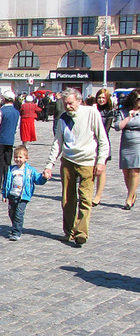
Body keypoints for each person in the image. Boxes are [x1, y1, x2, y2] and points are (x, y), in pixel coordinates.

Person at [43, 87, 110, 246]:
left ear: (79, 101)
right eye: (65, 104)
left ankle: (81, 233)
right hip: (68, 161)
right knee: (68, 199)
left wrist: (101, 161)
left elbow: (103, 140)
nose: (68, 106)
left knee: (85, 199)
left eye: (71, 103)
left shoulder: (91, 113)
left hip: (87, 161)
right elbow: (57, 143)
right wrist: (49, 165)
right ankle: (69, 232)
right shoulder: (63, 118)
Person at [1, 145, 48, 241]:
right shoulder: (11, 169)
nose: (18, 159)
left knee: (19, 214)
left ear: (26, 158)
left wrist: (44, 178)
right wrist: (4, 194)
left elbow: (38, 180)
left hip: (23, 196)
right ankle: (15, 226)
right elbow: (6, 182)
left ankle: (16, 232)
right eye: (16, 157)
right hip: (12, 195)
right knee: (11, 213)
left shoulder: (30, 170)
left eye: (20, 157)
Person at [113, 88, 140, 210]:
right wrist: (128, 117)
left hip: (138, 143)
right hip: (126, 143)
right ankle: (132, 192)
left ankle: (129, 199)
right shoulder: (123, 111)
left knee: (135, 170)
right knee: (126, 171)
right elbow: (117, 126)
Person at [0, 90, 20, 192]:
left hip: (0, 139)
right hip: (10, 140)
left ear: (4, 99)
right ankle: (6, 184)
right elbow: (16, 127)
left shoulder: (0, 111)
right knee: (7, 163)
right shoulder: (17, 112)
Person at [91, 88, 116, 207]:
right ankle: (88, 192)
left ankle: (98, 196)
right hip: (90, 142)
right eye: (99, 97)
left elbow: (106, 130)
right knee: (90, 169)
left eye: (103, 98)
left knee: (101, 170)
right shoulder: (92, 110)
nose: (101, 100)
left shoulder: (109, 112)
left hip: (103, 142)